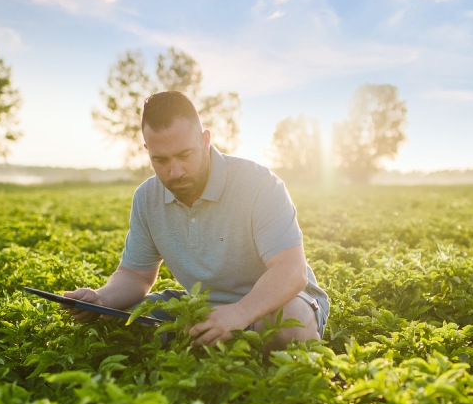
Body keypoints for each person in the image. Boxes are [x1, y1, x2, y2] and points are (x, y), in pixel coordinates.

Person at [65, 90, 329, 349]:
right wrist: (100, 299)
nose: (175, 171)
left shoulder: (259, 184)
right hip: (204, 307)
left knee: (289, 323)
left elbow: (291, 271)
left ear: (205, 140)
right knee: (118, 323)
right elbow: (135, 275)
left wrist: (238, 314)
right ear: (147, 150)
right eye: (161, 160)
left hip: (276, 301)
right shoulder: (147, 197)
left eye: (184, 155)